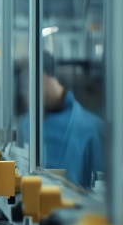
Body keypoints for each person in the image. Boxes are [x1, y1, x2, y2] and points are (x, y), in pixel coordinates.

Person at [18, 51, 104, 188]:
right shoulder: (26, 125)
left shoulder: (92, 129)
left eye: (27, 86)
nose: (25, 96)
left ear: (42, 76)